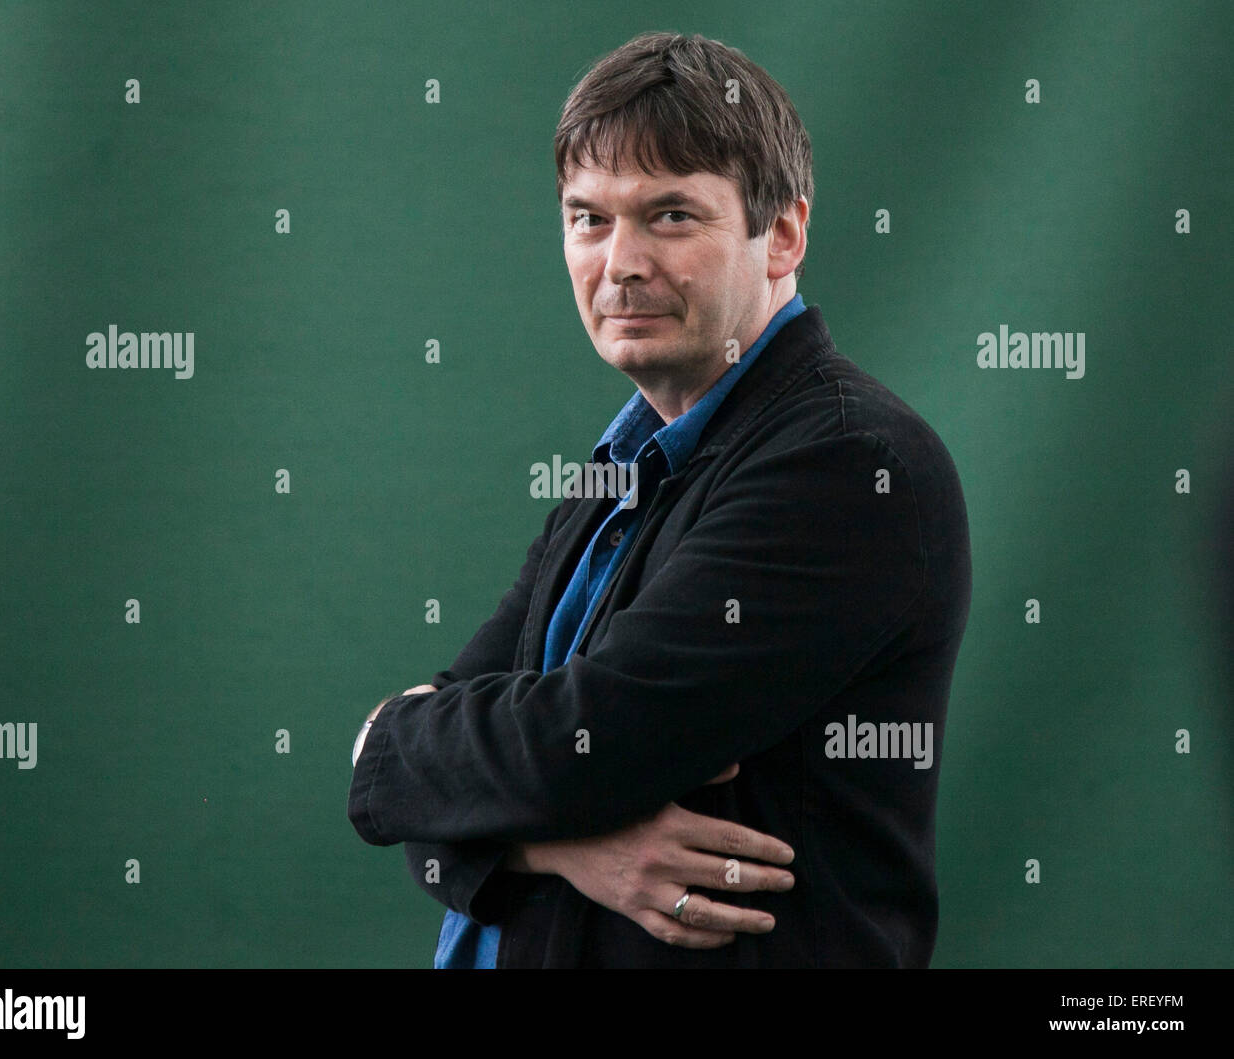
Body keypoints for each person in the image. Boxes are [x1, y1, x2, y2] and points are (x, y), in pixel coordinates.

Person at [348, 30, 972, 968]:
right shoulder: (624, 461)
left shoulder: (847, 463)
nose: (621, 262)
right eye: (588, 219)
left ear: (785, 235)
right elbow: (482, 777)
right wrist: (543, 836)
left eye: (672, 216)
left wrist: (387, 743)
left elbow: (578, 744)